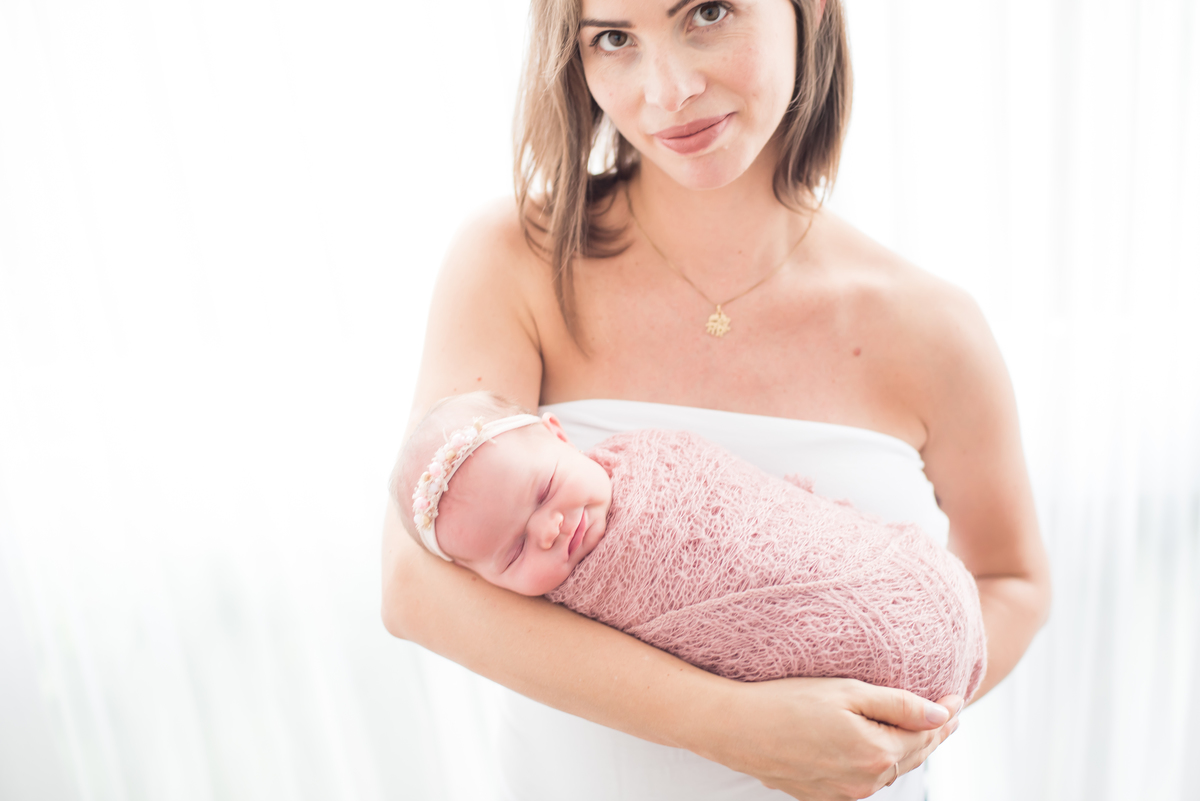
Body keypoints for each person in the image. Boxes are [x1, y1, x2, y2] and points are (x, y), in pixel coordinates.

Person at [380, 0, 1052, 798]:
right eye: (614, 38)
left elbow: (1013, 581)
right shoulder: (518, 261)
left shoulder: (932, 328)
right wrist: (733, 725)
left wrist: (902, 723)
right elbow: (414, 584)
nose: (668, 91)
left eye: (707, 11)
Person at [394, 391, 988, 704]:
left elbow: (767, 510)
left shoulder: (655, 456)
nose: (547, 531)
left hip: (906, 584)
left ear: (558, 434)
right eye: (514, 554)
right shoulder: (561, 617)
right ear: (484, 584)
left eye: (546, 490)